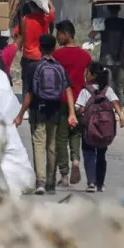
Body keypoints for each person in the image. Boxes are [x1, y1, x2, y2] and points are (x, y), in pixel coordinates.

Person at [14, 33, 76, 194]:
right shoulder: (59, 67)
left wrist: (21, 113)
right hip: (54, 111)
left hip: (37, 111)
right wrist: (71, 112)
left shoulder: (33, 67)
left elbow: (29, 94)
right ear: (54, 48)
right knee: (52, 146)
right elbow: (68, 89)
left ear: (39, 47)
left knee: (39, 145)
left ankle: (40, 181)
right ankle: (50, 182)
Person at [52, 21, 93, 187]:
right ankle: (76, 160)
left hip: (62, 100)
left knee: (61, 138)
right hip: (80, 101)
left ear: (66, 34)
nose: (57, 38)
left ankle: (63, 175)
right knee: (75, 134)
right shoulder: (85, 55)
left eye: (59, 34)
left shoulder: (58, 55)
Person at [77, 62, 124, 192]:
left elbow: (79, 108)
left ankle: (91, 182)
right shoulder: (107, 90)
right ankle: (100, 183)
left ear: (92, 75)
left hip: (89, 129)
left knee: (88, 154)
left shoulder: (85, 91)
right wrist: (121, 116)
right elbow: (115, 103)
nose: (85, 75)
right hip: (104, 129)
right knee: (101, 156)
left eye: (87, 73)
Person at [16, 0, 57, 96]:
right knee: (41, 82)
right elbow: (53, 9)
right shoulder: (45, 18)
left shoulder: (25, 19)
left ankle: (27, 105)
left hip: (27, 57)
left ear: (31, 6)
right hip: (41, 56)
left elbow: (17, 34)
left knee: (26, 82)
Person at [96, 4, 124, 97]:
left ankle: (106, 108)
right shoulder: (122, 22)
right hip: (119, 59)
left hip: (106, 59)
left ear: (108, 9)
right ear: (119, 10)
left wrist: (96, 23)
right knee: (119, 88)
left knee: (106, 86)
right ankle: (119, 109)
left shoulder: (104, 22)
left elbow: (91, 34)